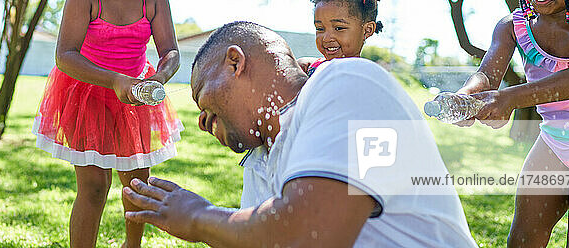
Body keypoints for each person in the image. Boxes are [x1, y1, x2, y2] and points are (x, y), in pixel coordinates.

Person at [122, 21, 478, 247]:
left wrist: (199, 216)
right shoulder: (259, 162)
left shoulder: (347, 82)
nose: (202, 121)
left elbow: (308, 235)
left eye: (203, 96)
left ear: (235, 62)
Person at [32, 0, 183, 248]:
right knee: (94, 188)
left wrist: (159, 77)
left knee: (137, 186)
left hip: (135, 99)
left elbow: (171, 51)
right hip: (90, 96)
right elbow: (64, 55)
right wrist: (115, 81)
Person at [457, 0, 569, 247]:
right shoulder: (514, 26)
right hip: (553, 142)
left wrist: (509, 99)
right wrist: (468, 97)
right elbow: (487, 75)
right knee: (522, 239)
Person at [298, 0, 384, 76]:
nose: (326, 38)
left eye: (339, 28)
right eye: (320, 28)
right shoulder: (310, 68)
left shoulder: (366, 77)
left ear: (367, 30)